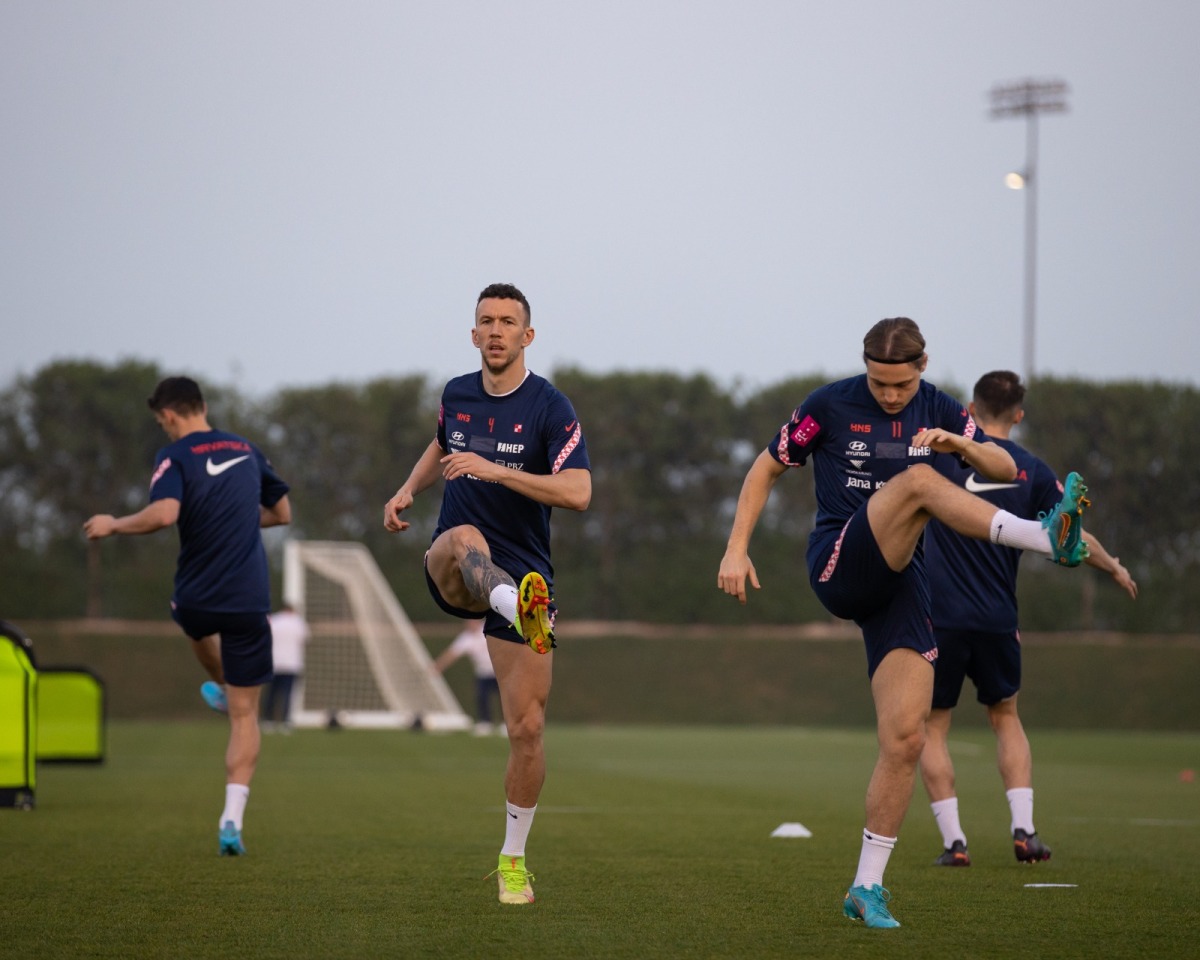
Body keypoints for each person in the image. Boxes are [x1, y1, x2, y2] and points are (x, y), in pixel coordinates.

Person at [717, 318, 1092, 930]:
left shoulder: (939, 406)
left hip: (901, 584)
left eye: (901, 385)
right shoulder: (827, 405)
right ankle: (1044, 539)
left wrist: (961, 445)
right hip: (841, 560)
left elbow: (1003, 467)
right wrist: (736, 548)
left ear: (923, 367)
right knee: (918, 482)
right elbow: (765, 467)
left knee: (906, 739)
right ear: (864, 369)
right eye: (879, 383)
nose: (890, 395)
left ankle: (866, 888)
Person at [383, 282, 591, 905]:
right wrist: (408, 489)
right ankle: (514, 608)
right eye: (486, 321)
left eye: (507, 321)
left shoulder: (551, 407)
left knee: (526, 729)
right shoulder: (456, 394)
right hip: (456, 564)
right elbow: (442, 444)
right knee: (463, 535)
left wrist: (497, 470)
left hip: (526, 571)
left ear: (528, 335)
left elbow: (578, 492)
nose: (496, 331)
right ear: (473, 334)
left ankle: (512, 861)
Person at [919, 370, 1138, 867]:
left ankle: (955, 844)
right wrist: (1114, 566)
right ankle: (1024, 831)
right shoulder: (1032, 471)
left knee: (933, 726)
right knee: (1005, 717)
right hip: (998, 617)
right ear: (1019, 415)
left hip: (939, 616)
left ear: (969, 411)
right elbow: (1070, 537)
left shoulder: (940, 457)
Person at [84, 376, 291, 857]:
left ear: (170, 415)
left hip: (197, 595)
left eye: (163, 423)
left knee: (191, 620)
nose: (166, 429)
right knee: (246, 715)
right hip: (248, 598)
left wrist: (114, 524)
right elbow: (282, 513)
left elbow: (163, 515)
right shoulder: (247, 449)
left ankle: (220, 684)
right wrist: (239, 518)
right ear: (203, 406)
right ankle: (231, 818)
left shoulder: (174, 455)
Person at [433, 617, 504, 736]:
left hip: (499, 671)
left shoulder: (488, 629)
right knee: (482, 697)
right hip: (482, 673)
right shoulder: (465, 638)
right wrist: (438, 666)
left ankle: (506, 723)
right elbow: (452, 653)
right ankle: (485, 722)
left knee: (504, 698)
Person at [262, 602, 310, 733]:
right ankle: (285, 721)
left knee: (271, 693)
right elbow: (305, 640)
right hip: (292, 664)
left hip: (274, 663)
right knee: (287, 693)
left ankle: (268, 720)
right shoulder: (298, 622)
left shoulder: (273, 620)